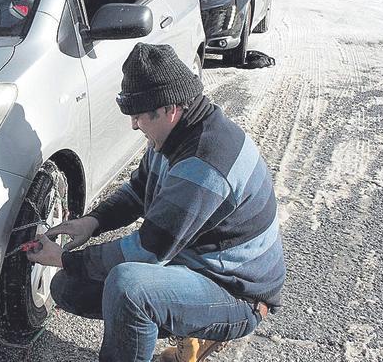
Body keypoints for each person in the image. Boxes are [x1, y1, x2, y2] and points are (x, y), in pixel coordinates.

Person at [27, 43, 286, 362]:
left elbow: (149, 250)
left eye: (137, 116)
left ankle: (200, 324)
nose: (133, 125)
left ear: (169, 109)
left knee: (130, 288)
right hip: (198, 263)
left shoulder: (204, 161)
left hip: (238, 294)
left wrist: (66, 258)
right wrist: (90, 223)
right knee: (70, 286)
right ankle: (185, 325)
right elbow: (138, 192)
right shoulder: (174, 134)